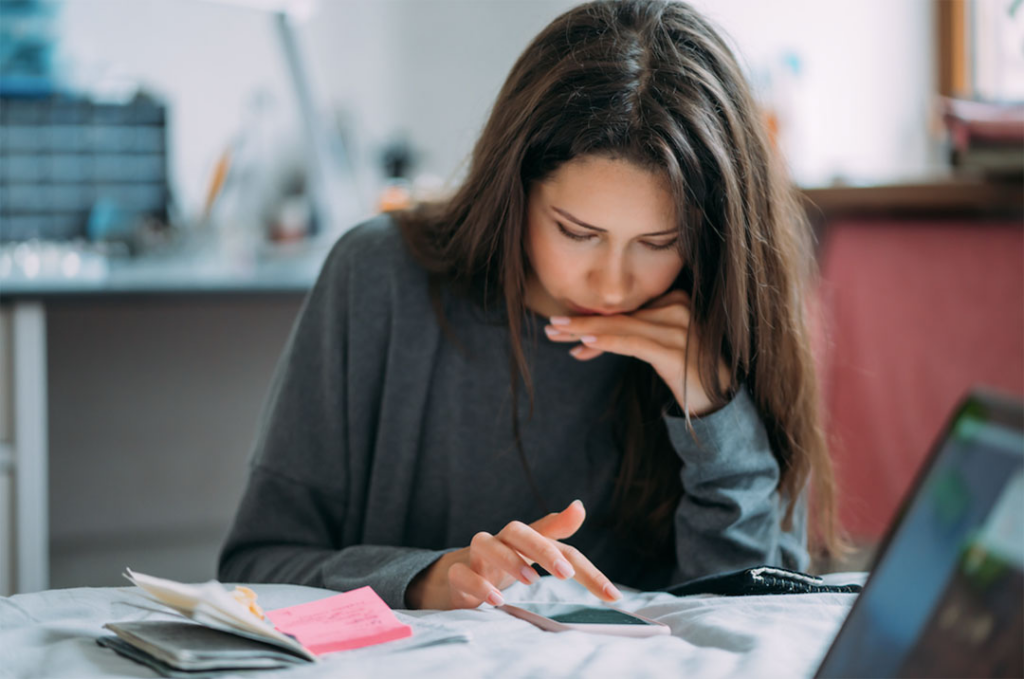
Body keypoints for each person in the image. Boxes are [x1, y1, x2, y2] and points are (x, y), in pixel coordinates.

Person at [218, 0, 842, 612]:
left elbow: (756, 619)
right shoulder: (378, 277)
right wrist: (425, 579)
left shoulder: (729, 308)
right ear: (514, 189)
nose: (613, 284)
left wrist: (713, 412)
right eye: (576, 232)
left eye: (659, 243)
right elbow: (257, 566)